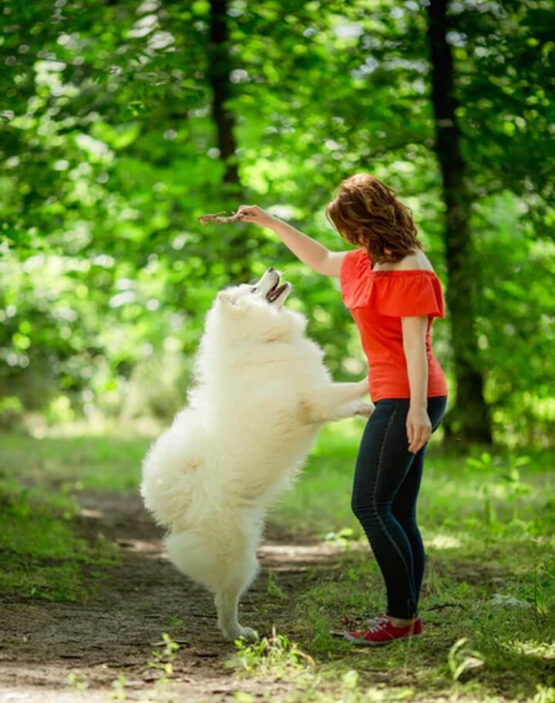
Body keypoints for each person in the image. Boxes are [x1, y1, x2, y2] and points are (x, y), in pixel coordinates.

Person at [234, 172, 448, 646]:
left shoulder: (411, 265)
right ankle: (407, 618)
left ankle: (399, 619)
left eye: (352, 228)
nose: (349, 238)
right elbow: (320, 259)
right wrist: (271, 222)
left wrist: (416, 412)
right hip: (395, 392)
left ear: (371, 220)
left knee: (369, 505)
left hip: (410, 394)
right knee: (398, 510)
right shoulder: (364, 261)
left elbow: (416, 348)